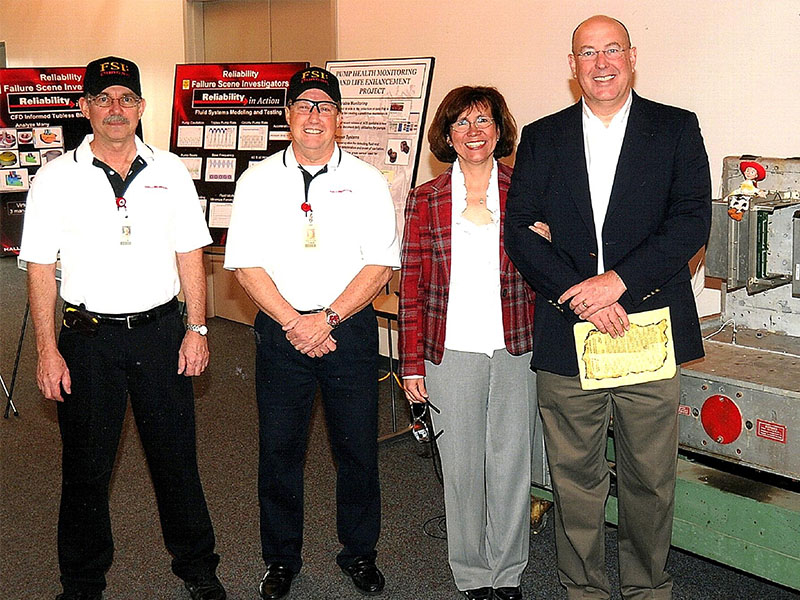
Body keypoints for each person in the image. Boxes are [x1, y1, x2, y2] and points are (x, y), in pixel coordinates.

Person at [505, 16, 712, 600]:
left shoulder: (675, 128)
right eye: (587, 52)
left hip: (647, 327)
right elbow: (520, 230)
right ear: (572, 65)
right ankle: (584, 590)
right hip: (568, 332)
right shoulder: (543, 136)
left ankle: (647, 588)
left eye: (612, 49)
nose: (601, 63)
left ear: (632, 56)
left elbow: (690, 221)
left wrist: (617, 283)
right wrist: (582, 294)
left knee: (651, 478)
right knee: (575, 480)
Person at [19, 56, 225, 600]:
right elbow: (39, 266)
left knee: (176, 461)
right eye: (104, 99)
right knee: (85, 470)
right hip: (87, 342)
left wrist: (197, 328)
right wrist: (47, 350)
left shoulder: (170, 170)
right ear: (84, 107)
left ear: (141, 106)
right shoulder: (55, 178)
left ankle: (198, 568)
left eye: (126, 98)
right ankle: (81, 583)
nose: (116, 109)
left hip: (161, 336)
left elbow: (191, 251)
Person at [223, 67, 400, 600]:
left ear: (339, 118)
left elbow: (380, 265)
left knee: (357, 451)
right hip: (283, 333)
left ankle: (360, 553)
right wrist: (294, 322)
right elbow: (246, 263)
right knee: (280, 452)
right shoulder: (257, 180)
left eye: (324, 106)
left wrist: (326, 320)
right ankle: (280, 560)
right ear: (288, 116)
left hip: (348, 330)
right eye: (304, 105)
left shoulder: (367, 180)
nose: (314, 116)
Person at [399, 86, 536, 600]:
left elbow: (553, 267)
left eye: (483, 121)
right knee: (460, 466)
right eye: (461, 122)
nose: (473, 131)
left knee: (511, 462)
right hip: (449, 350)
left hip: (516, 348)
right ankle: (473, 573)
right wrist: (411, 363)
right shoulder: (426, 198)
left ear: (499, 130)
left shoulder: (527, 191)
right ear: (447, 134)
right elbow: (411, 286)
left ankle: (508, 570)